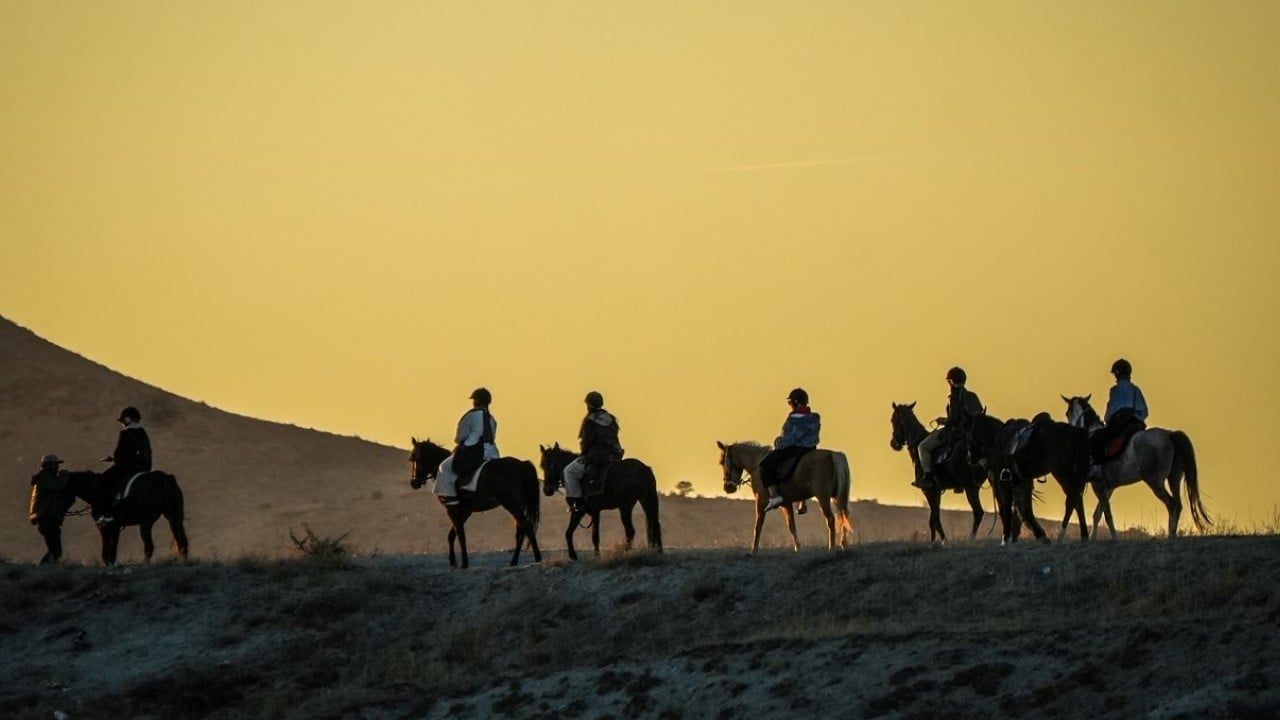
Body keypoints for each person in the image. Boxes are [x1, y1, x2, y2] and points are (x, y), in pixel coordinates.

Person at [915, 367, 984, 489]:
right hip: (974, 433)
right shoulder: (973, 396)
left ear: (951, 381)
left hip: (956, 432)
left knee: (923, 447)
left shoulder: (954, 397)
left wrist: (943, 420)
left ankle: (927, 475)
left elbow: (954, 420)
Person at [562, 391, 624, 513]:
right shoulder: (611, 419)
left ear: (589, 405)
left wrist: (584, 454)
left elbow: (586, 441)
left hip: (597, 457)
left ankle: (577, 503)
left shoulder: (589, 420)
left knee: (569, 471)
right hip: (614, 456)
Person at [436, 388, 500, 506]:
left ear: (477, 401)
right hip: (493, 453)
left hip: (474, 450)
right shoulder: (492, 419)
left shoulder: (470, 416)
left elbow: (459, 437)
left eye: (474, 399)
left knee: (444, 467)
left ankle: (451, 497)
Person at [1088, 358, 1149, 479]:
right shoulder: (1136, 390)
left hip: (1119, 424)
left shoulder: (1115, 390)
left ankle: (1098, 469)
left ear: (1117, 373)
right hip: (1136, 425)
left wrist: (1108, 421)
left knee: (1096, 438)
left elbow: (1110, 412)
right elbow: (1144, 412)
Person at [762, 388, 821, 511]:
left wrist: (779, 443)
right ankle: (803, 502)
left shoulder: (793, 420)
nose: (789, 405)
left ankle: (774, 496)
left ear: (795, 402)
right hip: (811, 448)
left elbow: (790, 439)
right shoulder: (815, 418)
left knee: (765, 464)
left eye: (790, 403)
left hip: (795, 448)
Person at [97, 406, 153, 524]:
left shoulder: (126, 433)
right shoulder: (142, 432)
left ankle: (107, 514)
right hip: (144, 467)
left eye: (123, 420)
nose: (122, 423)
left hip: (127, 467)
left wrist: (114, 458)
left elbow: (121, 454)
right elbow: (141, 451)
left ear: (128, 419)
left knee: (103, 481)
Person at [29, 454, 72, 565]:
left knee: (55, 550)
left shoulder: (45, 477)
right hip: (46, 518)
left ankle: (46, 568)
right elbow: (57, 486)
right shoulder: (44, 477)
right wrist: (64, 476)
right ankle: (44, 568)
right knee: (55, 550)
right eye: (56, 464)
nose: (58, 467)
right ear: (49, 465)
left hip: (48, 518)